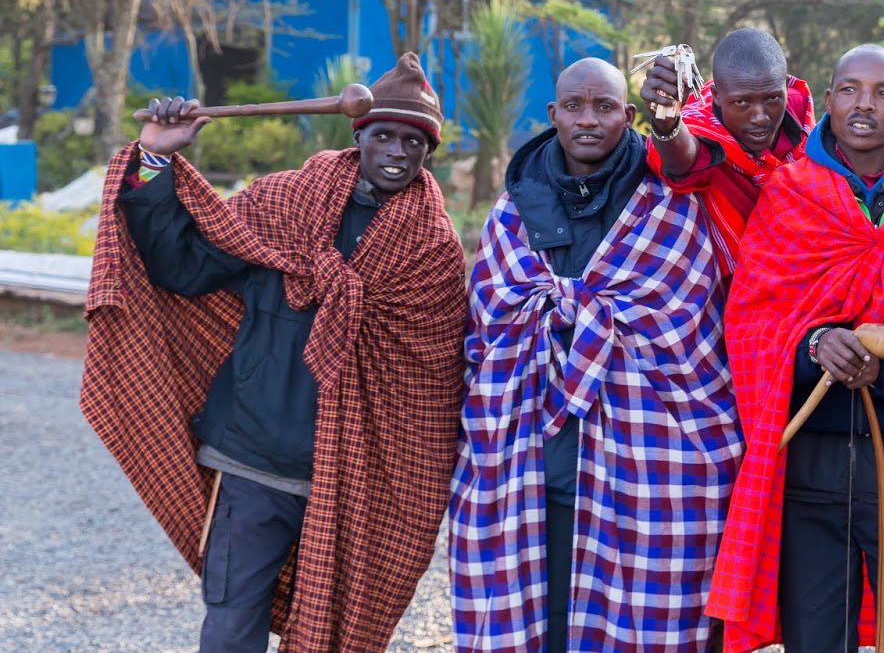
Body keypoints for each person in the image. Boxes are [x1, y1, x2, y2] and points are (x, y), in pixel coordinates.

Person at [80, 51, 467, 653]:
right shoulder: (285, 204)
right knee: (232, 627)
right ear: (358, 136)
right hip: (252, 463)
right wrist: (156, 158)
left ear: (428, 153)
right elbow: (184, 266)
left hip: (357, 482)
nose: (397, 150)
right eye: (383, 135)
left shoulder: (434, 252)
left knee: (332, 636)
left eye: (413, 141)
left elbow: (432, 387)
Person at [449, 58, 742, 652]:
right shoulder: (514, 209)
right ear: (553, 114)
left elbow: (691, 325)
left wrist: (579, 317)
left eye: (604, 107)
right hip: (533, 457)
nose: (588, 120)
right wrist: (568, 316)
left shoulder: (671, 203)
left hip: (652, 461)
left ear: (628, 116)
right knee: (545, 617)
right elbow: (488, 322)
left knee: (640, 613)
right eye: (574, 107)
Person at [707, 45, 884, 653]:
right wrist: (814, 346)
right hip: (812, 459)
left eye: (883, 93)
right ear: (828, 101)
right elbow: (753, 320)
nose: (865, 105)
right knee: (816, 634)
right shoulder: (790, 193)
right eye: (851, 90)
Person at [641, 27, 814, 275]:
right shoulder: (698, 124)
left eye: (772, 99)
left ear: (786, 87)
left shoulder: (803, 116)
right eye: (741, 102)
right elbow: (682, 160)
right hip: (731, 281)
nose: (760, 117)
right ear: (716, 96)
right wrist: (666, 122)